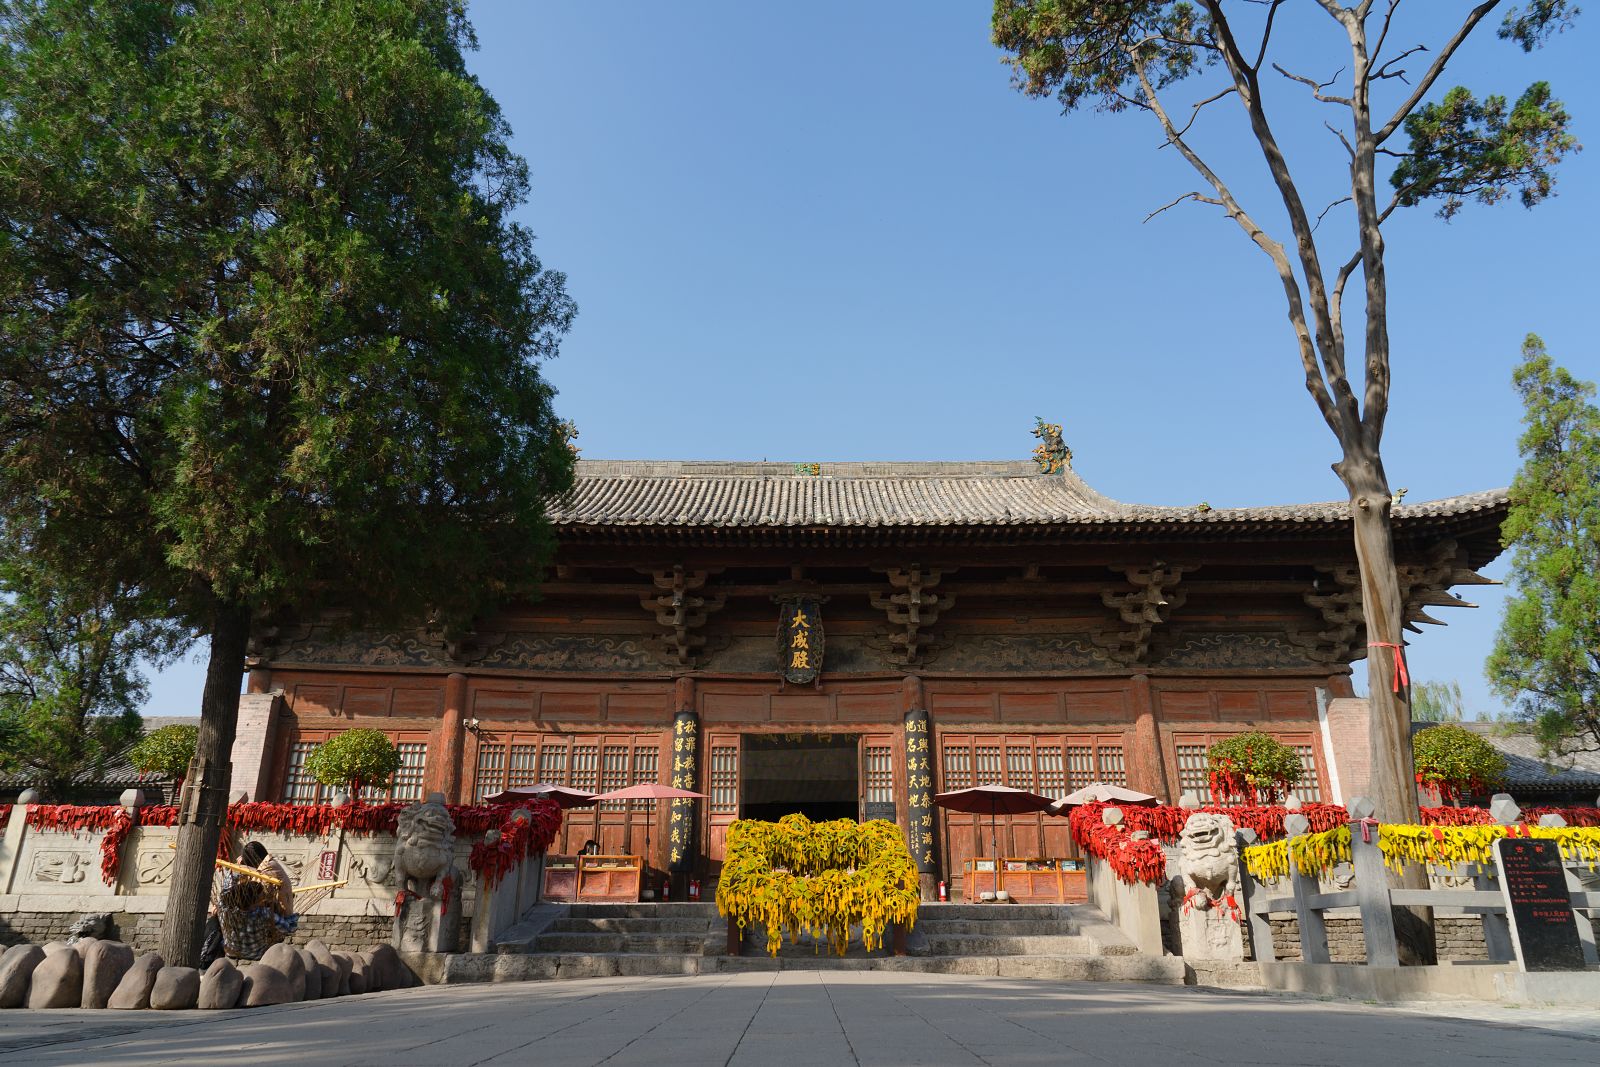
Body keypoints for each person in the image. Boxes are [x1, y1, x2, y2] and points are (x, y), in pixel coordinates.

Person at [214, 840, 299, 961]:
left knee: (215, 921)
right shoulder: (262, 913)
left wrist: (237, 868)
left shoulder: (224, 908)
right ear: (255, 900)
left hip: (230, 949)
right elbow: (289, 928)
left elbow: (227, 890)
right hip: (258, 953)